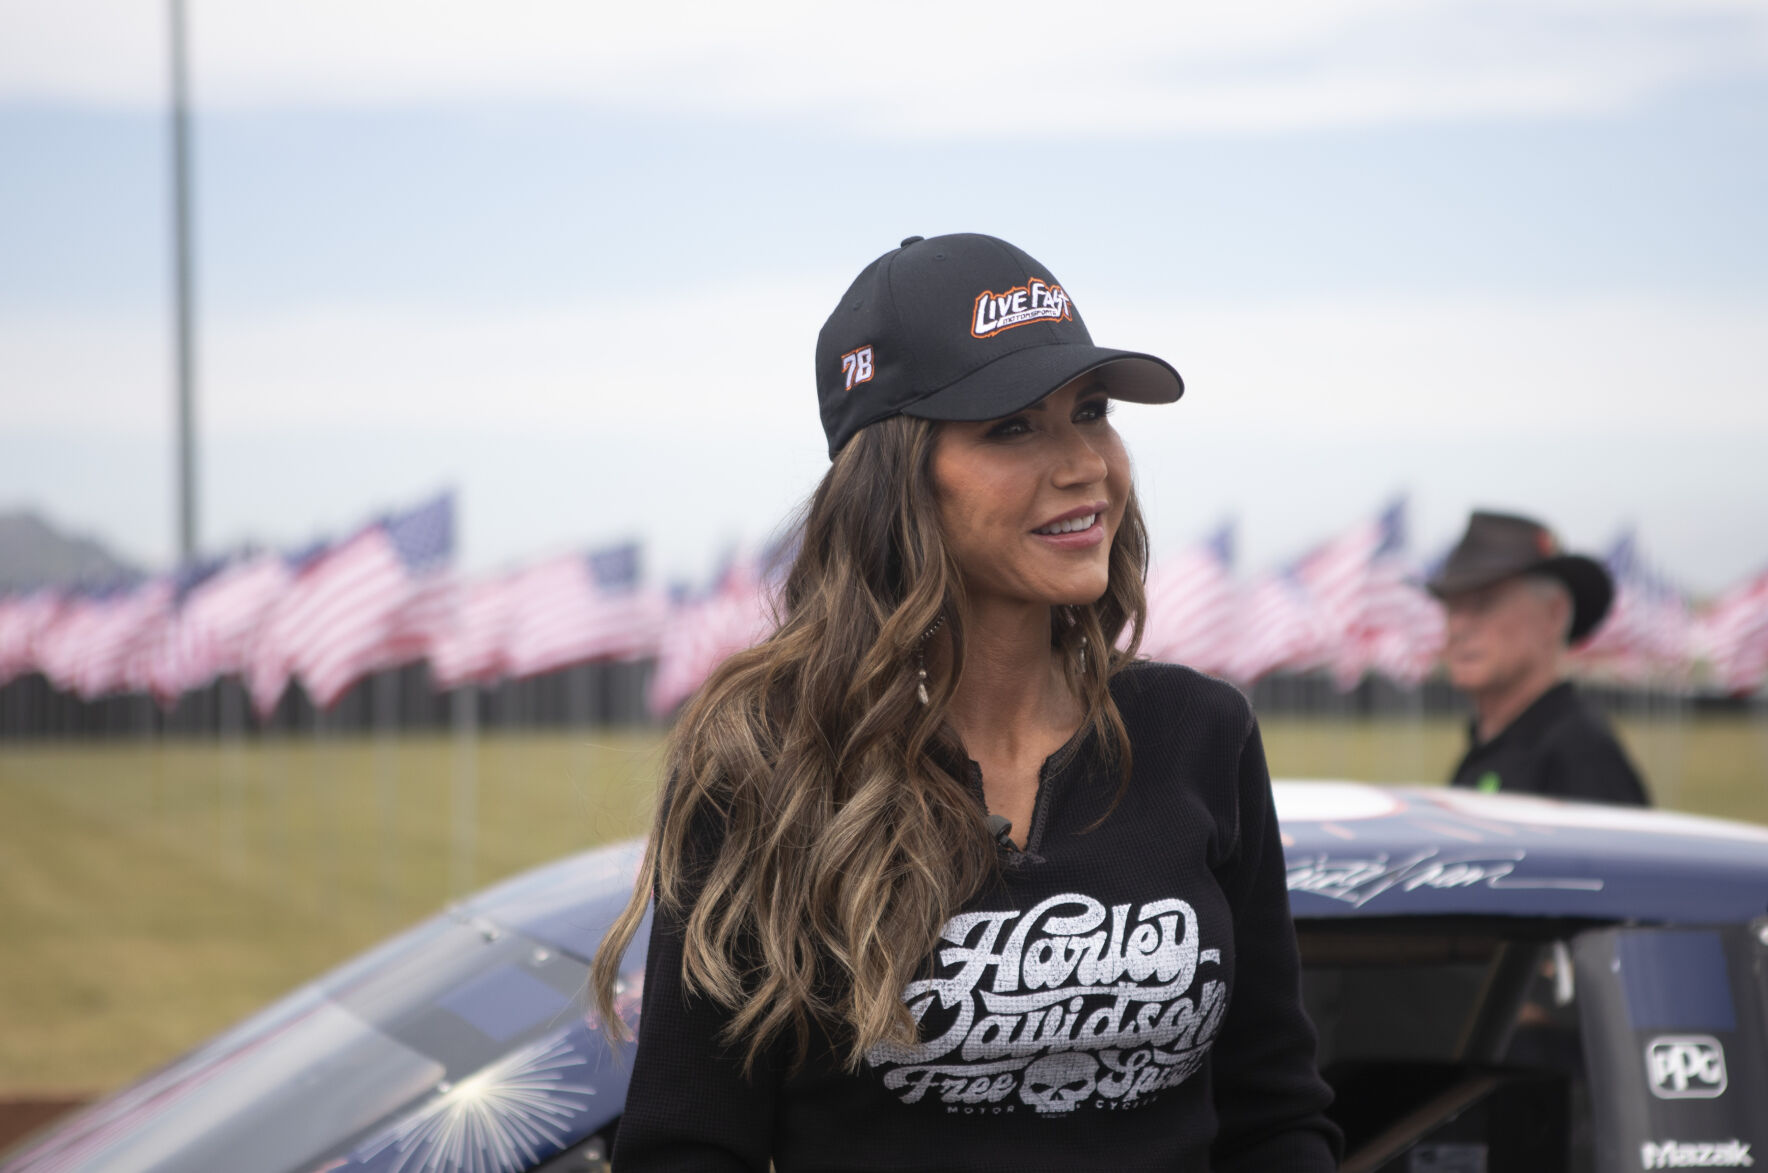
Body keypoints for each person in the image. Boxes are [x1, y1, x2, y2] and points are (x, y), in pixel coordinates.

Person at [592, 233, 1341, 1171]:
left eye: (1092, 412)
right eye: (1012, 426)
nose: (1085, 465)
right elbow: (686, 1146)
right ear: (896, 478)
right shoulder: (766, 759)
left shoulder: (1200, 733)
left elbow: (1275, 1116)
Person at [1428, 510, 1650, 806]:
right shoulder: (1497, 745)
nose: (1458, 627)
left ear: (1554, 614)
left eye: (1483, 603)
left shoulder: (1580, 756)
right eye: (1452, 608)